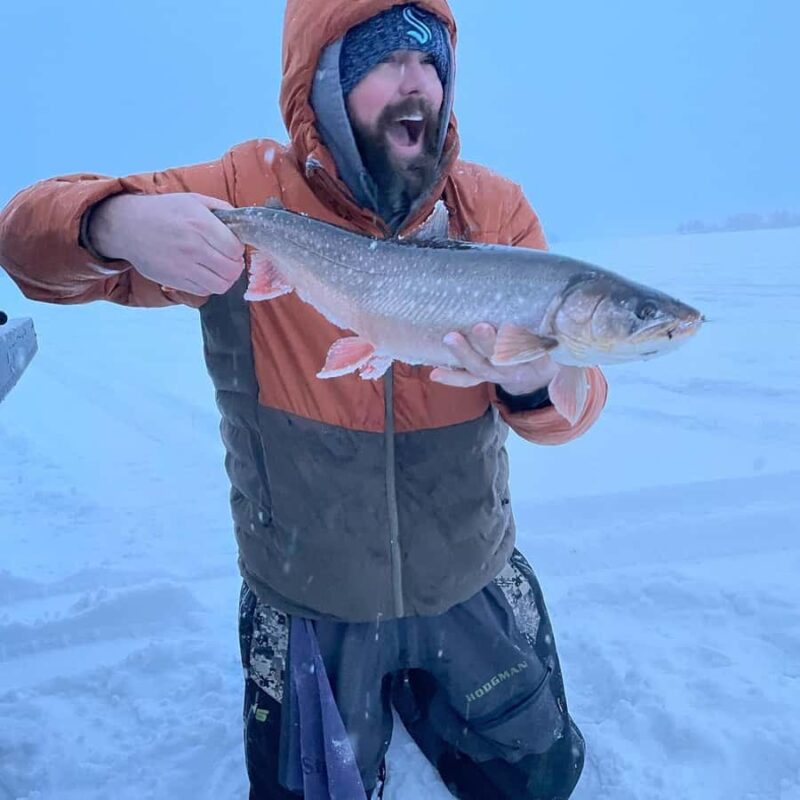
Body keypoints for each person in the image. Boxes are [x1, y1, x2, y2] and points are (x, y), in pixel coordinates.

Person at [0, 1, 608, 797]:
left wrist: (532, 383)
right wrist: (116, 221)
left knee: (539, 780)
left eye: (431, 62)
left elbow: (577, 403)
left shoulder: (491, 210)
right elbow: (24, 243)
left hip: (467, 573)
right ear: (324, 79)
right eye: (386, 59)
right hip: (309, 590)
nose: (417, 82)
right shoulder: (242, 194)